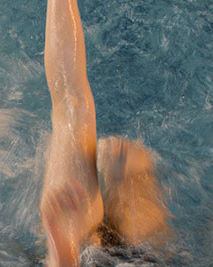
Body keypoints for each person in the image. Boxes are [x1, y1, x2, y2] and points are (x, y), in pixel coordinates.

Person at [39, 0, 171, 250]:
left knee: (75, 112)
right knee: (118, 158)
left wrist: (60, 266)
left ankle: (127, 172)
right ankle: (130, 173)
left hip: (79, 264)